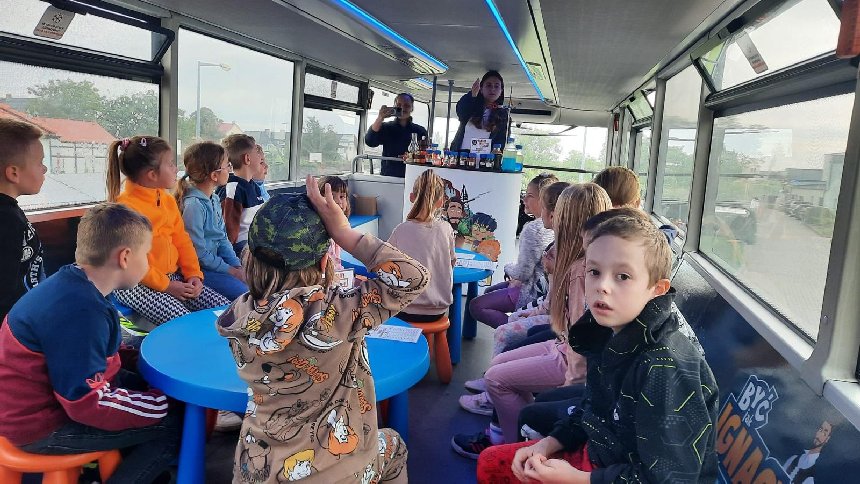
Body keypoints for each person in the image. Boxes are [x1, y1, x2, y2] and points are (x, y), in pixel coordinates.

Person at [216, 176, 430, 483]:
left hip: (257, 468)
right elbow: (413, 278)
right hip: (337, 471)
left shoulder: (238, 315)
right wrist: (345, 233)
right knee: (394, 445)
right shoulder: (336, 313)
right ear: (322, 263)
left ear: (250, 258)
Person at [477, 214, 719, 484]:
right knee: (490, 464)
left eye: (623, 276)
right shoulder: (607, 329)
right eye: (594, 272)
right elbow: (594, 407)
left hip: (619, 472)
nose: (602, 286)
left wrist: (579, 479)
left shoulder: (665, 369)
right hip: (603, 453)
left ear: (656, 289)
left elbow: (668, 479)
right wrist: (549, 443)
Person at [0, 203, 180, 483]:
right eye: (147, 255)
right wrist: (160, 403)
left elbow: (99, 352)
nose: (149, 263)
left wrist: (142, 364)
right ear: (125, 257)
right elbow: (86, 402)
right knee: (171, 425)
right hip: (41, 426)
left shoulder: (77, 284)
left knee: (152, 392)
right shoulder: (81, 311)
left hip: (48, 400)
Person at [453, 184, 612, 458]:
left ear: (566, 220)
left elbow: (580, 339)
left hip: (570, 360)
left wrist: (570, 387)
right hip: (561, 345)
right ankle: (519, 431)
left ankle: (510, 449)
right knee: (497, 367)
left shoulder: (579, 271)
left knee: (496, 379)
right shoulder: (576, 260)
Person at [107, 135, 230, 325]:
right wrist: (167, 286)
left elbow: (182, 240)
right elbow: (131, 263)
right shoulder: (126, 209)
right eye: (171, 164)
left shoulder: (166, 200)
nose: (176, 169)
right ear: (152, 175)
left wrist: (193, 275)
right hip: (135, 283)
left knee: (227, 312)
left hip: (172, 276)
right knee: (185, 324)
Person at [468, 173, 557, 329]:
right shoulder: (552, 227)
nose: (524, 199)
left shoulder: (534, 229)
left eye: (530, 196)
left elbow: (523, 273)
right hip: (543, 290)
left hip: (532, 292)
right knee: (489, 290)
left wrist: (507, 268)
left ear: (543, 200)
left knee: (477, 306)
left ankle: (515, 329)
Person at [177, 141, 248, 301]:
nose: (230, 170)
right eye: (227, 166)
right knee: (244, 294)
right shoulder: (194, 206)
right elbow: (198, 253)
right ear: (214, 176)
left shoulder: (214, 199)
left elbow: (222, 238)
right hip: (201, 270)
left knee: (254, 286)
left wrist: (236, 266)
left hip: (216, 264)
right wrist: (231, 271)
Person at [388, 169, 455, 322]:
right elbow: (451, 262)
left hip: (403, 309)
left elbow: (386, 263)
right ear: (441, 202)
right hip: (438, 310)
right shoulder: (446, 229)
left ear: (412, 197)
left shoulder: (401, 230)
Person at [0, 118, 46, 324]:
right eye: (40, 163)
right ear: (13, 173)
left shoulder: (10, 211)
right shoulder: (6, 221)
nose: (44, 169)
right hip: (16, 328)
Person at [217, 134, 266, 257]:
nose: (260, 156)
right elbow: (228, 232)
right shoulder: (234, 188)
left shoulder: (253, 186)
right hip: (241, 249)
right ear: (247, 159)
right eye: (257, 152)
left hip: (254, 243)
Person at [364, 93, 428, 177]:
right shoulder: (386, 127)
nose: (402, 108)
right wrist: (380, 118)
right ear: (394, 106)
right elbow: (370, 141)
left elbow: (425, 154)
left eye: (406, 106)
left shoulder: (420, 131)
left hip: (412, 176)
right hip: (389, 176)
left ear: (412, 108)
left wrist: (411, 156)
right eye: (399, 105)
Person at [450, 71, 509, 152]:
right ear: (481, 89)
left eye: (496, 86)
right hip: (460, 155)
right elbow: (461, 112)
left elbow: (501, 141)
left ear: (501, 91)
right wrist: (472, 95)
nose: (492, 89)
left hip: (485, 158)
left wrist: (495, 157)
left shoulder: (503, 115)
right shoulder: (471, 102)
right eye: (488, 85)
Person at [318, 175, 351, 277]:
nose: (338, 202)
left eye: (342, 196)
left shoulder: (339, 227)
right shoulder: (319, 233)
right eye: (331, 197)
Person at [783, 419, 833, 483]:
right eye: (820, 429)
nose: (819, 435)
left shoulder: (811, 477)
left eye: (824, 433)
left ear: (827, 439)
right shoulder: (794, 458)